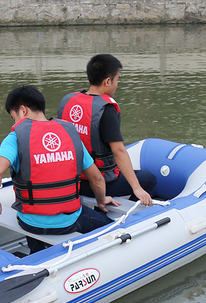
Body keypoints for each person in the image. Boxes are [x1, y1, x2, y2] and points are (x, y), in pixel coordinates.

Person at [0, 85, 121, 254]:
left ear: (23, 110)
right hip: (68, 222)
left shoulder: (15, 137)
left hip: (30, 223)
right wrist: (101, 200)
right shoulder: (70, 133)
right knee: (112, 228)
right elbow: (97, 178)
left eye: (14, 117)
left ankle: (36, 251)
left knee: (32, 215)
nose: (16, 123)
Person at [58, 54, 156, 206]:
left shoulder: (68, 100)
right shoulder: (106, 108)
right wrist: (137, 188)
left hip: (71, 180)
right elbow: (118, 151)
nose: (117, 84)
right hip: (97, 183)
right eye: (117, 80)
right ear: (107, 81)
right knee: (149, 178)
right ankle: (131, 214)